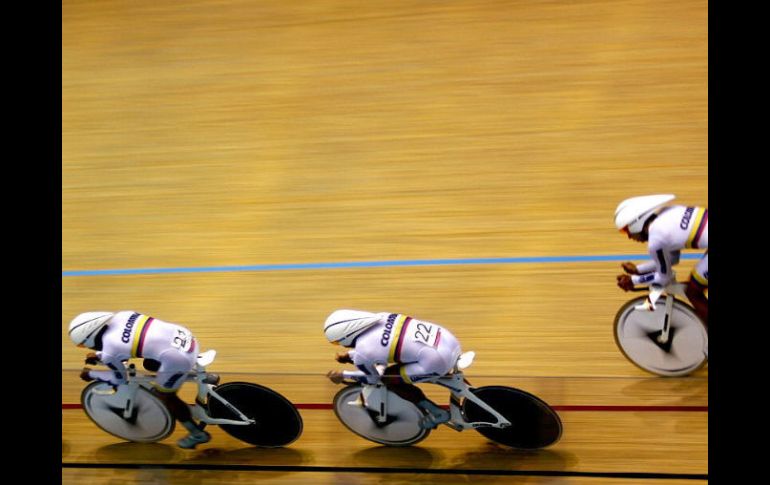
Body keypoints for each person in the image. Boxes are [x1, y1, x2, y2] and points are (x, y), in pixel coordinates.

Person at [68, 311, 211, 449]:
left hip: (178, 358)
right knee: (149, 363)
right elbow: (124, 344)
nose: (85, 347)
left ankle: (196, 433)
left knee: (164, 396)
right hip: (185, 337)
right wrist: (101, 355)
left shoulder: (109, 352)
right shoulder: (124, 315)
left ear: (90, 337)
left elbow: (120, 379)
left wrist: (91, 374)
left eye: (83, 344)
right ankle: (197, 376)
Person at [324, 309, 463, 429]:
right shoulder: (383, 316)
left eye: (336, 342)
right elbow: (380, 350)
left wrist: (343, 375)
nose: (339, 345)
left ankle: (438, 412)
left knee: (390, 379)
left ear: (347, 335)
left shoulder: (362, 352)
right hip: (448, 341)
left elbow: (372, 378)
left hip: (436, 361)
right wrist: (349, 356)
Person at [614, 194, 708, 328]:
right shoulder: (668, 212)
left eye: (626, 230)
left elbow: (665, 277)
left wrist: (633, 280)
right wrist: (638, 270)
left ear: (637, 222)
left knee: (693, 291)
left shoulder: (656, 240)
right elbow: (672, 259)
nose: (628, 236)